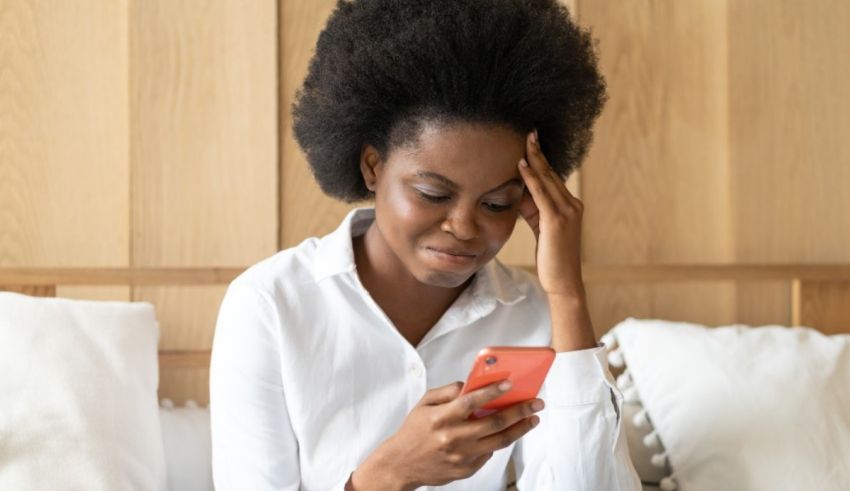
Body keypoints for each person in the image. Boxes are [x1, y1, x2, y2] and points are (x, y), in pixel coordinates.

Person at [210, 0, 641, 489]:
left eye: (498, 203)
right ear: (373, 166)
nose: (463, 226)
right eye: (433, 194)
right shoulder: (270, 303)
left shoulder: (534, 315)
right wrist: (387, 475)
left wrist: (566, 296)